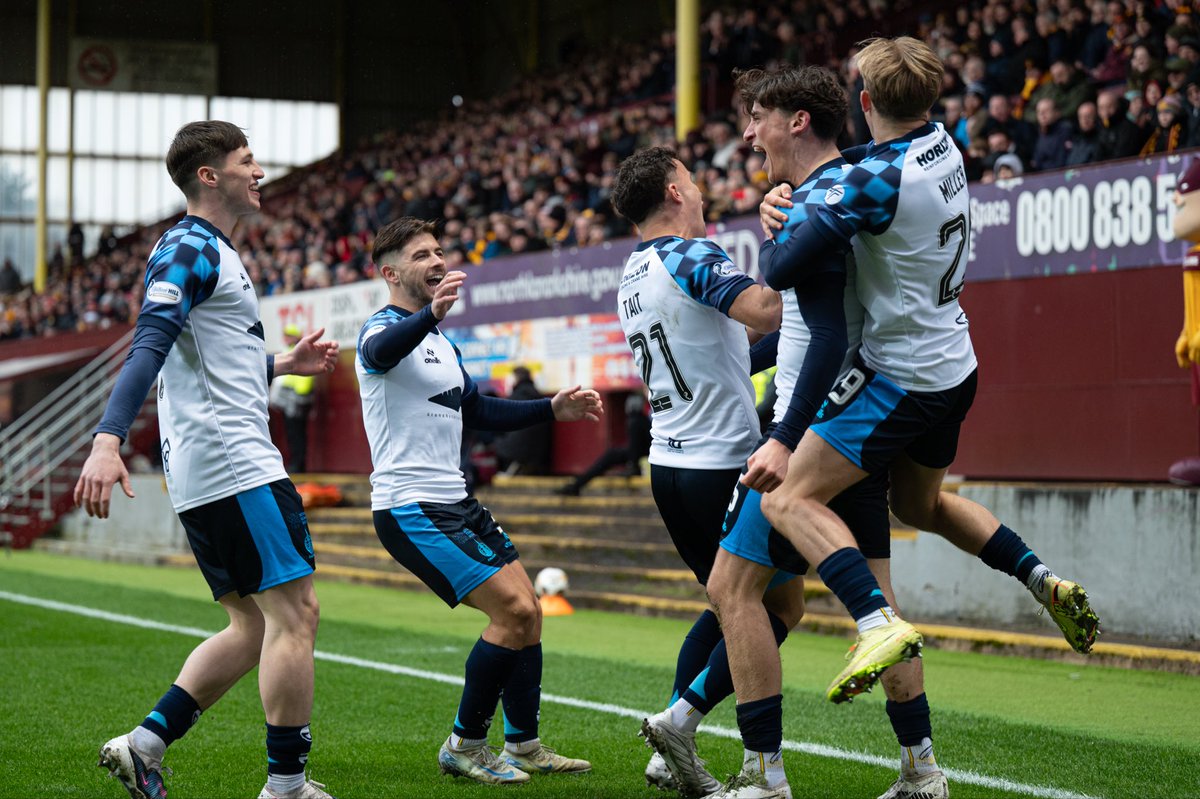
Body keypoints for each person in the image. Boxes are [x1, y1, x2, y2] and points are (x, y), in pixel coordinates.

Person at [747, 38, 1101, 795]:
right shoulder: (943, 146)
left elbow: (779, 270)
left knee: (786, 496)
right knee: (922, 503)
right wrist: (815, 186)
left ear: (864, 102)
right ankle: (1036, 580)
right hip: (956, 363)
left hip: (895, 377)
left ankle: (873, 620)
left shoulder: (872, 178)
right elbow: (859, 173)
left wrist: (776, 211)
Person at [75, 120, 339, 799]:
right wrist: (108, 437)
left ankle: (145, 744)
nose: (261, 171)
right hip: (235, 467)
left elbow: (211, 361)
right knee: (294, 614)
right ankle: (286, 787)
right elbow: (150, 344)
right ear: (210, 175)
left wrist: (284, 362)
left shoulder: (209, 251)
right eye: (248, 161)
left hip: (210, 467)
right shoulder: (191, 245)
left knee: (252, 624)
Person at [355, 216, 601, 785]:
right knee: (511, 611)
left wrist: (550, 409)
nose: (439, 260)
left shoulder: (439, 340)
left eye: (440, 250)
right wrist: (430, 315)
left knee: (531, 612)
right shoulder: (383, 328)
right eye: (422, 255)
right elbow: (381, 352)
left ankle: (523, 745)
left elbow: (478, 409)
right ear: (391, 273)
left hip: (455, 500)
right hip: (410, 507)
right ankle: (464, 746)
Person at [605, 145, 796, 797]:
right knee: (779, 603)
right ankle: (688, 726)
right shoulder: (692, 254)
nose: (703, 190)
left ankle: (668, 750)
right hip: (721, 464)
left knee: (725, 602)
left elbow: (727, 352)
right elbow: (766, 310)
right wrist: (795, 244)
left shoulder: (632, 274)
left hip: (669, 464)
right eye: (693, 179)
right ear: (673, 191)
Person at [554, 389, 651, 496]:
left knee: (635, 420)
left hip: (661, 444)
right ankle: (576, 485)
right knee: (612, 454)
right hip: (647, 445)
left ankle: (633, 465)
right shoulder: (644, 399)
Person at [271, 324, 316, 473]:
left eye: (288, 335)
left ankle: (298, 464)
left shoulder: (298, 352)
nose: (285, 338)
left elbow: (305, 380)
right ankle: (296, 464)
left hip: (296, 400)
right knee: (293, 433)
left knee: (296, 433)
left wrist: (299, 397)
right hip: (289, 400)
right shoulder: (289, 351)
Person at [493, 366, 552, 475]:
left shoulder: (515, 396)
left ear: (516, 379)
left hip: (516, 449)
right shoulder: (538, 395)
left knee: (492, 437)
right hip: (540, 451)